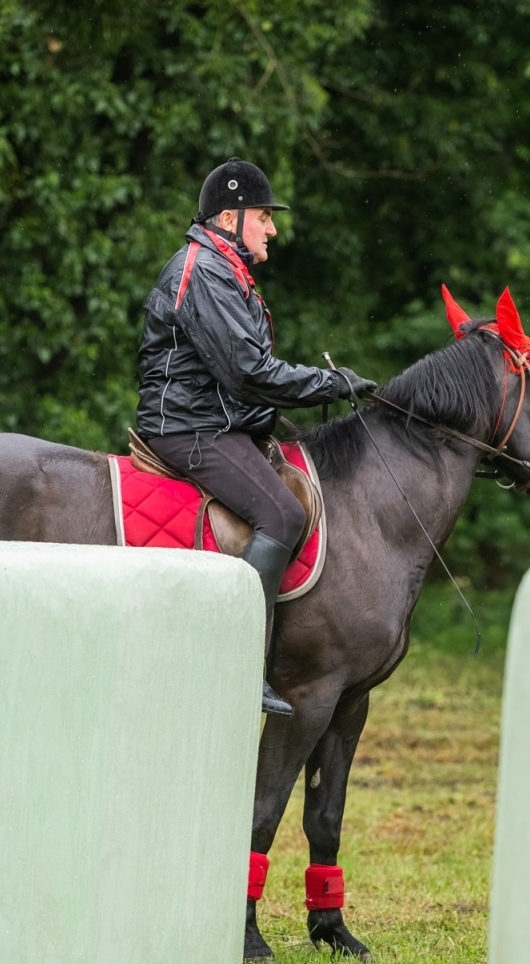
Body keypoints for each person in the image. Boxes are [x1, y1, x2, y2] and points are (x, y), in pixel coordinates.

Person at [135, 158, 375, 717]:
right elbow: (249, 371)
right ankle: (240, 665)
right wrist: (330, 383)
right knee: (283, 516)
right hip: (189, 429)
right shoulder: (203, 272)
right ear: (229, 216)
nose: (271, 228)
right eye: (264, 216)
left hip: (216, 421)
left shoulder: (223, 270)